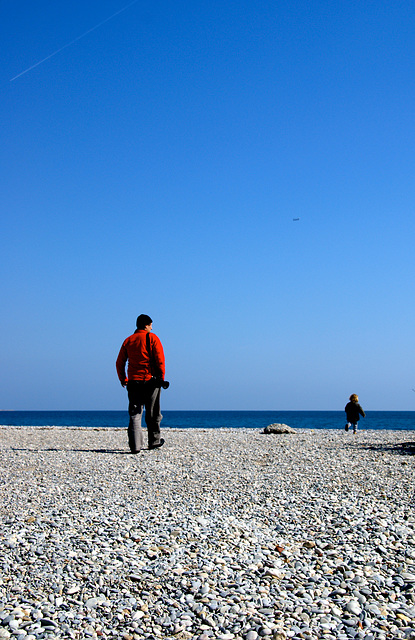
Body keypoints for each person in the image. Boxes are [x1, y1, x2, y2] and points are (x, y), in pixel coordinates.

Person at [116, 314, 166, 453]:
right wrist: (161, 377)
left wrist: (123, 378)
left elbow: (119, 362)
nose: (152, 327)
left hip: (133, 381)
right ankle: (154, 441)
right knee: (153, 413)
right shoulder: (153, 338)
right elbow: (160, 360)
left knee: (135, 413)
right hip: (150, 380)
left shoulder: (128, 340)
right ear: (146, 325)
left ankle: (135, 446)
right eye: (151, 325)